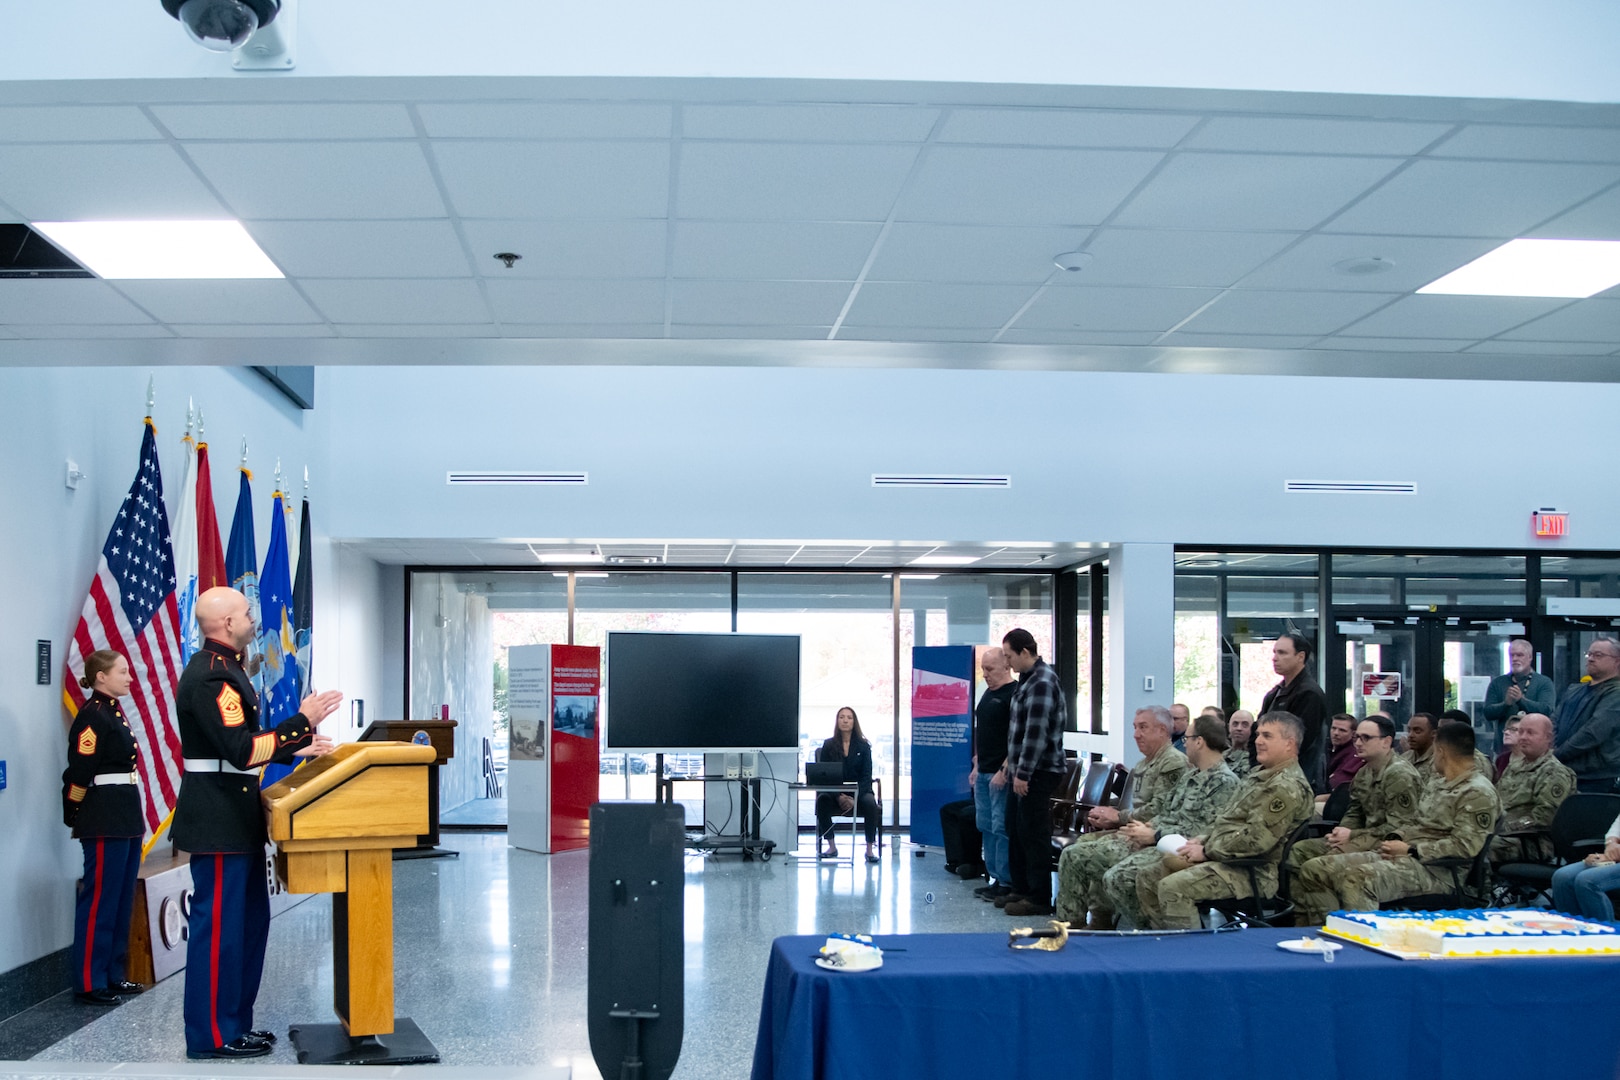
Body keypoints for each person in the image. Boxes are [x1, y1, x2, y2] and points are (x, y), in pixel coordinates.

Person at [173, 587, 340, 1061]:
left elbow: (244, 744)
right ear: (226, 623)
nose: (253, 617)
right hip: (217, 819)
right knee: (220, 930)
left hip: (235, 813)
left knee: (247, 926)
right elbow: (242, 750)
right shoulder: (212, 678)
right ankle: (210, 1036)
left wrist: (295, 746)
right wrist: (300, 722)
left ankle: (235, 1024)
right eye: (246, 612)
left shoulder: (227, 668)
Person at [1288, 723, 1499, 918]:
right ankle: (1324, 931)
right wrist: (1396, 840)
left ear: (1441, 751)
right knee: (1315, 869)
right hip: (1405, 856)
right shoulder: (1439, 783)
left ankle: (1362, 945)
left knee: (1357, 878)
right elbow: (1414, 823)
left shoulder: (1477, 792)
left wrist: (1410, 850)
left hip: (1439, 871)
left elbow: (1465, 847)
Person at [1135, 711, 1314, 930]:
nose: (1258, 741)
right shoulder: (1261, 774)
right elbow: (1229, 822)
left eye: (1267, 736)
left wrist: (1208, 850)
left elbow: (1256, 841)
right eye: (1258, 735)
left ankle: (1188, 957)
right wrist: (1202, 840)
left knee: (1174, 888)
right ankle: (1162, 942)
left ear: (1289, 744)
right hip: (1227, 857)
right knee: (1147, 876)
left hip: (1254, 871)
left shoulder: (1285, 787)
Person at [61, 649, 147, 1006]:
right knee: (99, 900)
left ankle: (113, 973)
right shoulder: (93, 716)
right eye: (122, 672)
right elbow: (80, 770)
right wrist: (75, 810)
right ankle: (89, 980)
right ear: (101, 677)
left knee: (120, 898)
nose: (129, 678)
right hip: (103, 816)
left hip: (124, 812)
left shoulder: (112, 712)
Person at [1051, 706, 1189, 927]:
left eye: (1143, 727)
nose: (1136, 734)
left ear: (1162, 730)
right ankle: (1100, 917)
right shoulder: (1146, 763)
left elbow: (1161, 809)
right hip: (1136, 831)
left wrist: (1118, 817)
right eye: (1135, 727)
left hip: (1155, 837)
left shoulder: (1172, 762)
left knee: (1075, 855)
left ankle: (1070, 924)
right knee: (1086, 842)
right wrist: (1109, 817)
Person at [1099, 715, 1240, 929]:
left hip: (1184, 848)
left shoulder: (1224, 781)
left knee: (1118, 877)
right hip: (1163, 839)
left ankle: (1154, 933)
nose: (1185, 745)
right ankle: (1155, 932)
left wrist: (1154, 836)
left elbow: (1204, 830)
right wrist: (1146, 828)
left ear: (1199, 742)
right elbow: (1167, 810)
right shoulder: (1191, 775)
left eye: (1187, 739)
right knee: (1109, 865)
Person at [1289, 714, 1423, 924]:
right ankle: (1302, 921)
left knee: (1319, 865)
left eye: (1366, 738)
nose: (1358, 743)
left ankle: (1329, 923)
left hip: (1387, 843)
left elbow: (1401, 828)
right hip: (1364, 837)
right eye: (1357, 737)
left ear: (1386, 742)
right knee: (1299, 851)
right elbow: (1355, 811)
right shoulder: (1364, 772)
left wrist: (1352, 835)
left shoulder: (1400, 775)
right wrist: (1341, 832)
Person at [998, 628, 1069, 918]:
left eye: (1009, 656)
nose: (1007, 663)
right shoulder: (1027, 679)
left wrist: (1023, 773)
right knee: (1015, 828)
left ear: (1025, 652)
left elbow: (1035, 734)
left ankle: (1038, 896)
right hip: (1023, 769)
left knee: (1033, 833)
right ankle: (1021, 887)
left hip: (1038, 771)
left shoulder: (1042, 682)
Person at [1490, 713, 1575, 863]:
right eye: (1520, 731)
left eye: (1530, 733)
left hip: (1531, 842)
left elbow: (1545, 818)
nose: (1523, 737)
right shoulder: (1514, 767)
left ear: (1548, 738)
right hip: (1501, 834)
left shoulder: (1554, 772)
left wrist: (1502, 829)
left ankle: (1482, 887)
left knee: (1476, 848)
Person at [969, 649, 1018, 898]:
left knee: (1001, 827)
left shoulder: (1014, 694)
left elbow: (1016, 738)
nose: (985, 674)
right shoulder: (987, 694)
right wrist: (977, 766)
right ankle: (994, 877)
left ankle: (1007, 881)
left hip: (1001, 774)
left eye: (990, 669)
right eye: (983, 669)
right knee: (986, 825)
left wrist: (1004, 769)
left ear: (1006, 666)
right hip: (984, 772)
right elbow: (983, 734)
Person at [1257, 634, 1330, 794]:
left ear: (1300, 656)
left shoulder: (1310, 694)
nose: (1275, 658)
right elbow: (1257, 731)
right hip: (1270, 774)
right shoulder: (1275, 693)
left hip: (1294, 779)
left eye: (1282, 653)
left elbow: (1301, 743)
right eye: (1275, 652)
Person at [1553, 637, 1620, 793]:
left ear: (1617, 661)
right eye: (1589, 654)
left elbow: (1593, 732)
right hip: (1565, 772)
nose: (1590, 659)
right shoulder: (1574, 690)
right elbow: (1554, 721)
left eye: (1598, 655)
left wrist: (1557, 755)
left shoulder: (1616, 694)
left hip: (1598, 778)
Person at [816, 706, 881, 863]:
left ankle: (870, 849)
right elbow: (824, 775)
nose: (845, 720)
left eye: (849, 717)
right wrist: (839, 796)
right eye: (842, 717)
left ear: (854, 722)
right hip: (835, 791)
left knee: (870, 803)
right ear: (837, 721)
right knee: (822, 800)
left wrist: (855, 798)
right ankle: (831, 846)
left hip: (860, 790)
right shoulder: (828, 745)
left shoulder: (864, 746)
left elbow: (867, 776)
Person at [1550, 811, 1620, 921]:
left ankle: (1604, 935)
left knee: (1587, 880)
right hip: (1615, 857)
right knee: (1562, 877)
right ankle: (1573, 931)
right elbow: (1615, 829)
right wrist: (1611, 846)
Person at [1481, 638, 1556, 728]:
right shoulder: (1497, 683)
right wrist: (1505, 704)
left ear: (1530, 657)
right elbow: (1488, 713)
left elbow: (1547, 711)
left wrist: (1521, 700)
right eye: (1511, 655)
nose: (1515, 659)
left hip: (1532, 740)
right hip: (1504, 740)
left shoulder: (1544, 682)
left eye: (1520, 655)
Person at [1324, 713, 1364, 793]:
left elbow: (1336, 784)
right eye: (1333, 728)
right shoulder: (1326, 749)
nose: (1336, 733)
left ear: (1353, 734)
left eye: (1342, 730)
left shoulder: (1354, 756)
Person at [1224, 710, 1254, 777]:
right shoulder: (1220, 757)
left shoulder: (1255, 758)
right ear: (1229, 727)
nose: (1239, 728)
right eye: (1235, 724)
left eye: (1245, 725)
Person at [1495, 716, 1523, 780]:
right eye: (1505, 729)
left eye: (1513, 729)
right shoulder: (1501, 759)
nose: (1506, 733)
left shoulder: (1533, 761)